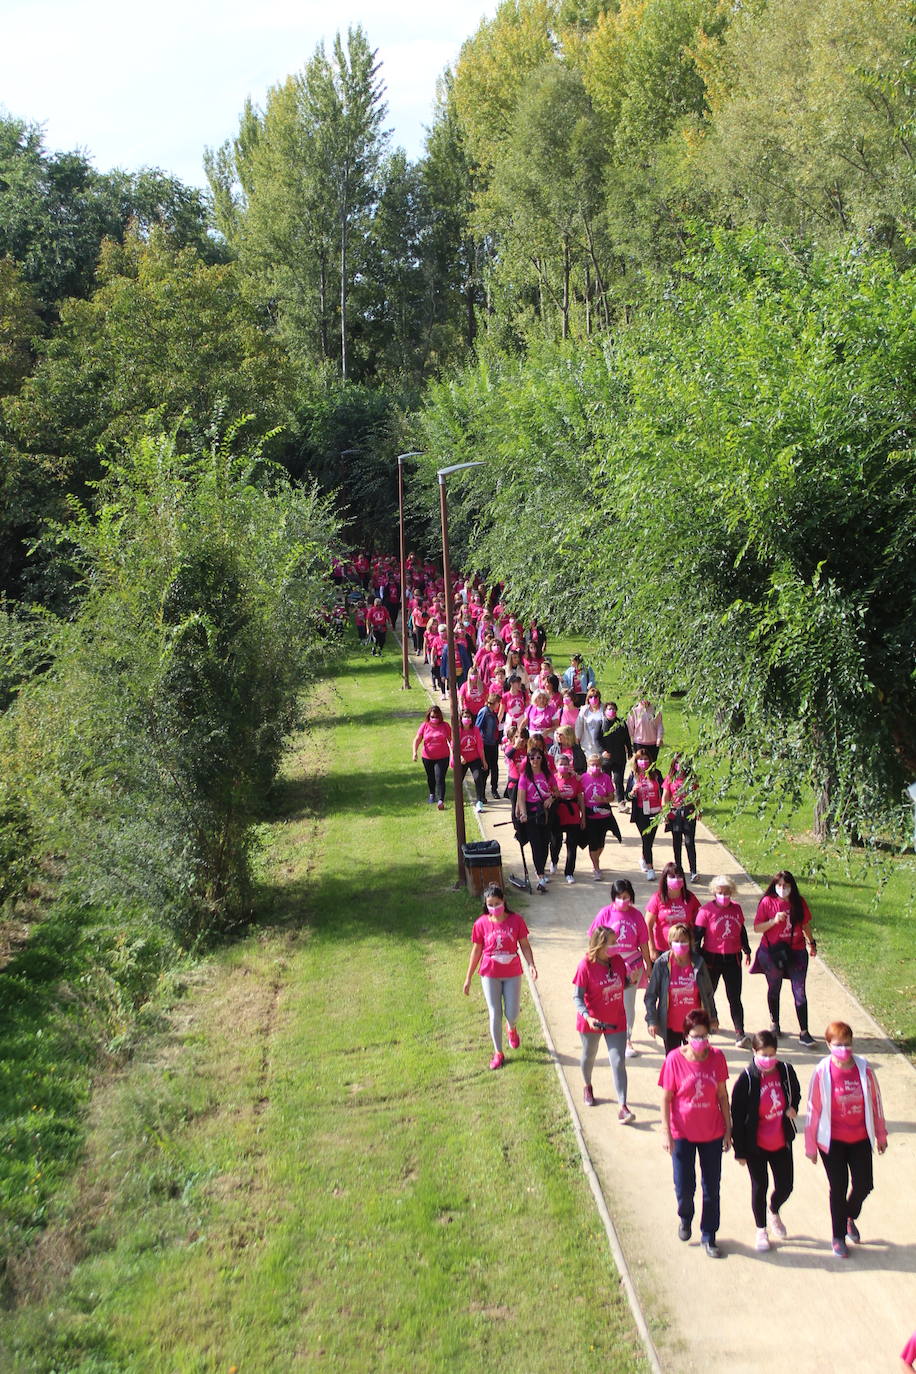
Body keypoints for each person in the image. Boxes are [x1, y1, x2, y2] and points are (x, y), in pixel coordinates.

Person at [804, 1019, 888, 1258]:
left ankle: (848, 1215)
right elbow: (813, 1109)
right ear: (829, 1045)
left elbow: (876, 1103)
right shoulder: (822, 1071)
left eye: (848, 1044)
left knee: (864, 1185)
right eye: (838, 1044)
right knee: (838, 1188)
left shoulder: (864, 1069)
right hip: (832, 1141)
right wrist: (810, 1145)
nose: (844, 1049)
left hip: (860, 1137)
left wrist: (881, 1134)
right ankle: (838, 1235)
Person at [658, 1008, 731, 1258]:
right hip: (682, 1134)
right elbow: (666, 1098)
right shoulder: (674, 1060)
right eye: (695, 1036)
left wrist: (728, 1129)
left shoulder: (718, 1058)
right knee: (684, 1185)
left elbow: (722, 1095)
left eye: (704, 1036)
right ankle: (685, 1217)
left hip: (711, 1132)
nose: (701, 1041)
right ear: (686, 1036)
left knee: (712, 1186)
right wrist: (666, 1132)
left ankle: (709, 1235)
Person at [730, 1030, 801, 1252]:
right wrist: (739, 1150)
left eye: (772, 1054)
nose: (768, 1059)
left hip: (781, 1141)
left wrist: (793, 1107)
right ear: (754, 1052)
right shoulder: (747, 1079)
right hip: (756, 1146)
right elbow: (738, 1117)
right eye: (764, 1054)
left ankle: (774, 1209)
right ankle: (761, 1229)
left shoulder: (785, 1071)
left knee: (786, 1186)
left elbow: (795, 1091)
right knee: (759, 1186)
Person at [463, 884, 538, 1070]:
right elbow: (477, 950)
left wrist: (531, 964)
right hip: (490, 973)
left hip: (512, 973)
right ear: (485, 905)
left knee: (512, 1013)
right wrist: (468, 977)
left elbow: (525, 945)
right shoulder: (481, 923)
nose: (494, 907)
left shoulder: (516, 921)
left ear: (504, 901)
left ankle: (511, 1028)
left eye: (497, 903)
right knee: (494, 1012)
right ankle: (498, 1052)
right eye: (490, 904)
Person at [573, 927, 636, 1122]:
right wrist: (587, 1017)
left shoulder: (618, 961)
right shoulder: (585, 966)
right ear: (600, 945)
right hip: (593, 1021)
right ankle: (587, 1086)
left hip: (616, 1019)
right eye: (612, 943)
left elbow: (620, 982)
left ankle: (623, 1106)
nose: (616, 946)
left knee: (618, 1061)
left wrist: (630, 981)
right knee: (589, 1055)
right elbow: (577, 997)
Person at [751, 870, 818, 1048]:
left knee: (800, 992)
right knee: (774, 988)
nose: (783, 889)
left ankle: (804, 1032)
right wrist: (773, 921)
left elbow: (805, 924)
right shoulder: (767, 902)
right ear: (774, 886)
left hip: (796, 951)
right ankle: (775, 1023)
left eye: (786, 886)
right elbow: (757, 927)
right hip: (772, 953)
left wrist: (811, 943)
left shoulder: (799, 902)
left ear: (792, 887)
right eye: (779, 885)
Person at [588, 880, 651, 1058]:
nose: (623, 901)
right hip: (610, 963)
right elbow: (593, 939)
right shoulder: (605, 914)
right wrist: (593, 962)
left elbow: (644, 942)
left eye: (626, 897)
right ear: (613, 898)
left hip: (632, 964)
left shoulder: (637, 915)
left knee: (628, 1003)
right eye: (619, 897)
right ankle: (607, 1031)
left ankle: (627, 1038)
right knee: (609, 999)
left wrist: (648, 966)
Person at [695, 876, 751, 1049]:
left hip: (733, 958)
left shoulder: (736, 909)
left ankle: (740, 1032)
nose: (724, 896)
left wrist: (747, 949)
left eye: (727, 893)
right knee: (707, 995)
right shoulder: (705, 911)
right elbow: (697, 938)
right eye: (720, 893)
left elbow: (742, 931)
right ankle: (705, 1025)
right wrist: (696, 961)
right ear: (714, 892)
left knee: (735, 997)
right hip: (712, 959)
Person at [645, 923, 719, 1054]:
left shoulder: (699, 962)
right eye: (676, 941)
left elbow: (708, 993)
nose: (680, 944)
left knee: (694, 1061)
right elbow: (651, 995)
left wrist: (713, 1017)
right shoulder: (662, 964)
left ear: (690, 942)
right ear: (669, 942)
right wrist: (652, 1020)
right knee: (673, 1062)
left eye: (684, 941)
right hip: (670, 1025)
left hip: (696, 1025)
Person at [514, 743, 557, 894]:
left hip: (545, 814)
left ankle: (541, 872)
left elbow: (556, 791)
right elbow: (521, 797)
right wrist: (523, 813)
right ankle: (540, 876)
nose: (535, 760)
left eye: (538, 757)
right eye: (532, 757)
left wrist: (551, 798)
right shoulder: (525, 777)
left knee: (545, 844)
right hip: (532, 815)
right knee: (535, 844)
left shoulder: (548, 774)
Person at [625, 747, 664, 880]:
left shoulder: (657, 774)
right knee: (646, 839)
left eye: (646, 759)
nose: (643, 761)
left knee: (649, 840)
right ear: (636, 761)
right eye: (640, 759)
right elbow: (627, 797)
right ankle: (650, 869)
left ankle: (643, 858)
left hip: (655, 811)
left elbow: (663, 792)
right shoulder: (633, 776)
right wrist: (632, 793)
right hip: (641, 812)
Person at [581, 753, 622, 879]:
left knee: (601, 844)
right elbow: (579, 797)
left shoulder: (606, 778)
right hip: (590, 815)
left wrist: (603, 799)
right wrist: (582, 816)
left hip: (603, 814)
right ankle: (596, 867)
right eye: (593, 765)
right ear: (588, 765)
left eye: (598, 765)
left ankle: (596, 859)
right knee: (593, 842)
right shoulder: (583, 778)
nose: (595, 767)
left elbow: (612, 797)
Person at [646, 864, 699, 957]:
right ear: (665, 879)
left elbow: (698, 922)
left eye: (679, 876)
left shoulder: (690, 897)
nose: (676, 879)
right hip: (662, 949)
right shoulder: (657, 898)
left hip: (684, 948)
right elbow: (647, 925)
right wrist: (652, 949)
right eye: (672, 876)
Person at [549, 753, 587, 884]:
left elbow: (581, 798)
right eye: (561, 764)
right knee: (555, 842)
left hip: (573, 815)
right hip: (558, 815)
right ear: (556, 765)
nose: (564, 767)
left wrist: (583, 817)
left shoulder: (575, 780)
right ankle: (554, 861)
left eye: (566, 764)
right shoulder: (553, 779)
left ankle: (569, 872)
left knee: (572, 845)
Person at [662, 753, 700, 881]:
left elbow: (696, 796)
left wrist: (698, 810)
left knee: (689, 842)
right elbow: (666, 797)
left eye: (683, 763)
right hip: (675, 812)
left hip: (689, 812)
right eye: (678, 763)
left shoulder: (692, 779)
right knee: (676, 842)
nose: (681, 766)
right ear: (674, 765)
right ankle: (678, 870)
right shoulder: (670, 778)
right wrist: (665, 813)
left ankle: (693, 870)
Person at [412, 704, 452, 810]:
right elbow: (417, 739)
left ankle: (440, 800)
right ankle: (432, 794)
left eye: (436, 717)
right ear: (429, 716)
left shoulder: (445, 726)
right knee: (431, 777)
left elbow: (451, 740)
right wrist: (414, 752)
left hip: (442, 757)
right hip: (427, 757)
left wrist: (456, 753)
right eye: (432, 717)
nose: (434, 719)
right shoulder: (425, 726)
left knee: (440, 777)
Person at [598, 702, 632, 813]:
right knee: (606, 780)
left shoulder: (621, 723)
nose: (611, 711)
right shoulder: (601, 723)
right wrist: (602, 751)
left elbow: (627, 738)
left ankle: (621, 802)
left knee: (618, 780)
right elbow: (597, 739)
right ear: (605, 711)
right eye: (609, 709)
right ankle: (605, 801)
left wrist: (630, 752)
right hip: (606, 759)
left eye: (613, 709)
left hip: (619, 757)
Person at [458, 709, 488, 813]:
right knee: (458, 780)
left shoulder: (475, 730)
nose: (467, 719)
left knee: (478, 777)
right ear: (461, 718)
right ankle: (458, 800)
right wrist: (460, 757)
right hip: (462, 760)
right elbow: (454, 746)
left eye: (469, 717)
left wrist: (484, 761)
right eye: (465, 717)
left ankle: (479, 801)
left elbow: (480, 747)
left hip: (474, 759)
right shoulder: (458, 731)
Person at [476, 693, 502, 799]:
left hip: (493, 744)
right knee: (485, 769)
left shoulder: (493, 713)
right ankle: (481, 793)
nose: (499, 705)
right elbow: (477, 728)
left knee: (494, 768)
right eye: (498, 703)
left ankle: (494, 789)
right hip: (485, 744)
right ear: (494, 703)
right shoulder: (484, 712)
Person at [627, 697, 664, 761]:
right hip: (639, 743)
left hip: (653, 744)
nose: (645, 700)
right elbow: (630, 728)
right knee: (639, 766)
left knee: (651, 766)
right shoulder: (634, 710)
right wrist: (626, 743)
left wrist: (659, 738)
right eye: (642, 698)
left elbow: (659, 725)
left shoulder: (655, 709)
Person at [575, 687, 605, 759]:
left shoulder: (604, 709)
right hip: (587, 743)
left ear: (599, 697)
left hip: (602, 743)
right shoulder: (584, 710)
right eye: (591, 697)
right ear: (588, 698)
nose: (593, 699)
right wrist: (577, 738)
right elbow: (579, 725)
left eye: (595, 696)